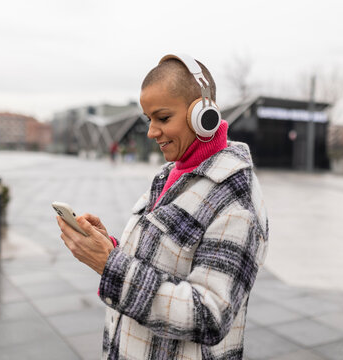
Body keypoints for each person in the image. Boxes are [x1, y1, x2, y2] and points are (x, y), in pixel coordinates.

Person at [56, 54, 268, 359]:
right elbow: (162, 261)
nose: (151, 131)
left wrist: (109, 265)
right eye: (148, 119)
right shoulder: (171, 173)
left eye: (163, 118)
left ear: (202, 115)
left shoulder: (236, 199)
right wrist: (111, 248)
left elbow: (210, 316)